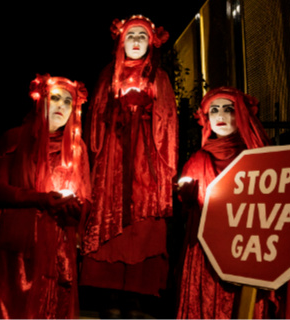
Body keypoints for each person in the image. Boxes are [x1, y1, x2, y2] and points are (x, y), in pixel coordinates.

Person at [82, 16, 177, 315]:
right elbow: (94, 123)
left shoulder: (158, 77)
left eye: (142, 36)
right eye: (130, 36)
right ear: (120, 42)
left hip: (145, 161)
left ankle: (138, 292)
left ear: (151, 43)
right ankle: (108, 293)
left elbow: (169, 123)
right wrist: (117, 109)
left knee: (142, 225)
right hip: (113, 157)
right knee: (111, 219)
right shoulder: (107, 75)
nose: (136, 41)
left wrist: (146, 109)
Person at [175, 87, 290, 318]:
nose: (220, 116)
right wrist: (188, 194)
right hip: (207, 255)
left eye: (228, 110)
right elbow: (188, 208)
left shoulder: (259, 157)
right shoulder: (199, 159)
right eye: (214, 110)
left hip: (248, 249)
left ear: (241, 114)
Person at [0, 75, 91, 319]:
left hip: (57, 242)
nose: (61, 106)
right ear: (40, 101)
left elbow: (85, 197)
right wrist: (39, 199)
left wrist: (75, 209)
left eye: (68, 102)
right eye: (55, 98)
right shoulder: (14, 138)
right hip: (16, 243)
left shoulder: (78, 149)